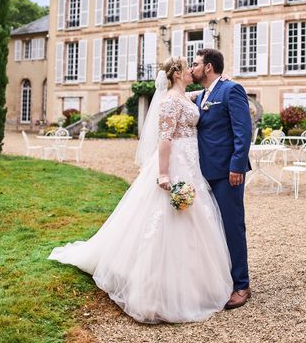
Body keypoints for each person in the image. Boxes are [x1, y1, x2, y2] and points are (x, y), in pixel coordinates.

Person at [48, 57, 233, 323]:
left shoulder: (184, 96)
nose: (193, 70)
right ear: (178, 73)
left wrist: (221, 81)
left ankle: (194, 282)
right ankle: (154, 292)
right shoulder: (170, 100)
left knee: (195, 220)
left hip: (192, 166)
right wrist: (163, 173)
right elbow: (165, 139)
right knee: (165, 222)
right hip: (176, 163)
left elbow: (204, 94)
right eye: (188, 66)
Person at [191, 48, 253, 309]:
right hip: (202, 173)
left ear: (208, 67)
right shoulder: (201, 95)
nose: (192, 69)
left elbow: (243, 130)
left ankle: (242, 284)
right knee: (210, 229)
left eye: (195, 64)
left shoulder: (231, 90)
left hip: (227, 174)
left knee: (232, 226)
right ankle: (219, 279)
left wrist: (237, 166)